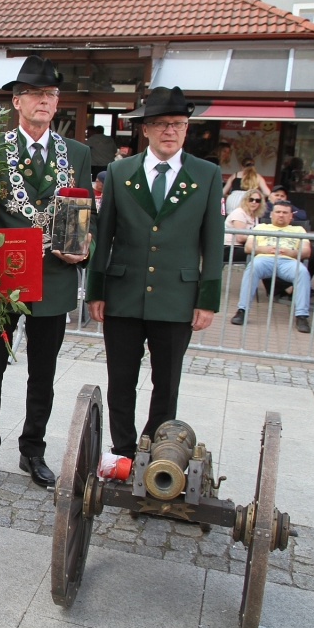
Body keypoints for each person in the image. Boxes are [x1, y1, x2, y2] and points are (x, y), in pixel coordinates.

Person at [0, 56, 94, 488]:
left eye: (51, 94)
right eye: (36, 94)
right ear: (17, 101)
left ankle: (32, 451)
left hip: (54, 279)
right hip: (3, 277)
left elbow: (82, 215)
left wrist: (83, 250)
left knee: (43, 373)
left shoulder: (76, 153)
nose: (44, 101)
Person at [86, 86, 223, 458]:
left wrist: (207, 300)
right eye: (160, 123)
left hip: (176, 297)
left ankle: (158, 453)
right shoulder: (118, 172)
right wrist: (95, 291)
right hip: (123, 294)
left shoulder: (207, 174)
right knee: (121, 383)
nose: (170, 131)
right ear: (144, 128)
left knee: (167, 384)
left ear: (186, 128)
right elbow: (104, 233)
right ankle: (124, 451)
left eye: (178, 124)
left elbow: (213, 241)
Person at [230, 201, 312, 333]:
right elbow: (248, 247)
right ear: (272, 214)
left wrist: (292, 252)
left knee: (302, 272)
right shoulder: (260, 227)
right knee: (253, 267)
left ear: (291, 216)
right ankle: (242, 310)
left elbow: (307, 251)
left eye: (285, 213)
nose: (281, 215)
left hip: (288, 260)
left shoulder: (299, 230)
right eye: (278, 212)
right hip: (265, 258)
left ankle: (301, 316)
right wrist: (265, 249)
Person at [224, 189, 265, 262]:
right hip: (229, 248)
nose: (254, 202)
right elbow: (240, 237)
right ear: (245, 200)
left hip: (243, 246)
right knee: (258, 254)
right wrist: (258, 238)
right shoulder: (239, 213)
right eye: (251, 199)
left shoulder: (255, 216)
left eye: (257, 200)